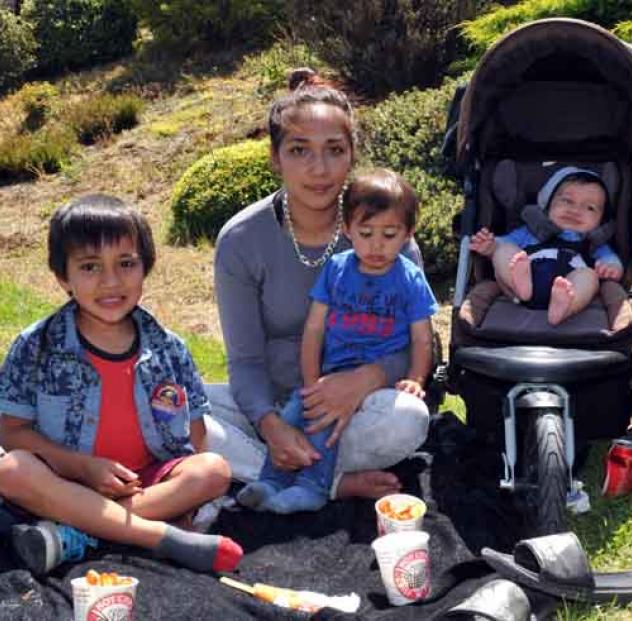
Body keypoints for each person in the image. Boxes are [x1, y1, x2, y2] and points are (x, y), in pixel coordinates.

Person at [209, 68, 430, 503]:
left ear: (352, 155)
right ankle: (331, 482)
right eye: (299, 150)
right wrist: (272, 425)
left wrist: (366, 379)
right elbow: (246, 361)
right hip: (270, 405)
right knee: (178, 407)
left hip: (358, 409)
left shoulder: (387, 238)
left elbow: (418, 346)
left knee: (408, 417)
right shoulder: (241, 240)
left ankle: (282, 474)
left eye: (334, 150)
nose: (319, 169)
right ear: (275, 157)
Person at [0, 195, 243, 575]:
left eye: (126, 264)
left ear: (146, 267)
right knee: (11, 471)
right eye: (90, 267)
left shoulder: (170, 348)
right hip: (62, 484)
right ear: (63, 276)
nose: (110, 282)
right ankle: (154, 535)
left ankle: (74, 534)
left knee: (213, 471)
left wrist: (183, 498)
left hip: (143, 487)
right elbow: (10, 431)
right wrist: (82, 468)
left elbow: (195, 436)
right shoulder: (37, 345)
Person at [237, 168, 437, 514]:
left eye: (389, 234)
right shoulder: (337, 269)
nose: (376, 245)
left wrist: (416, 379)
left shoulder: (410, 278)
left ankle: (312, 489)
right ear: (347, 230)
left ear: (408, 234)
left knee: (336, 424)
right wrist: (312, 383)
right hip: (330, 374)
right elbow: (314, 330)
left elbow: (422, 338)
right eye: (365, 233)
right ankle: (270, 481)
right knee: (292, 415)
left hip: (378, 388)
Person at [469, 167, 623, 325]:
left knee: (589, 277)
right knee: (504, 251)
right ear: (547, 204)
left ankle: (565, 306)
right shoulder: (529, 231)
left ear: (600, 220)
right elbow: (504, 242)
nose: (575, 210)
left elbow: (610, 259)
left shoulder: (594, 243)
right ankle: (520, 285)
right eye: (567, 201)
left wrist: (611, 268)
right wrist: (491, 247)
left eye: (590, 207)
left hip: (570, 282)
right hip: (521, 276)